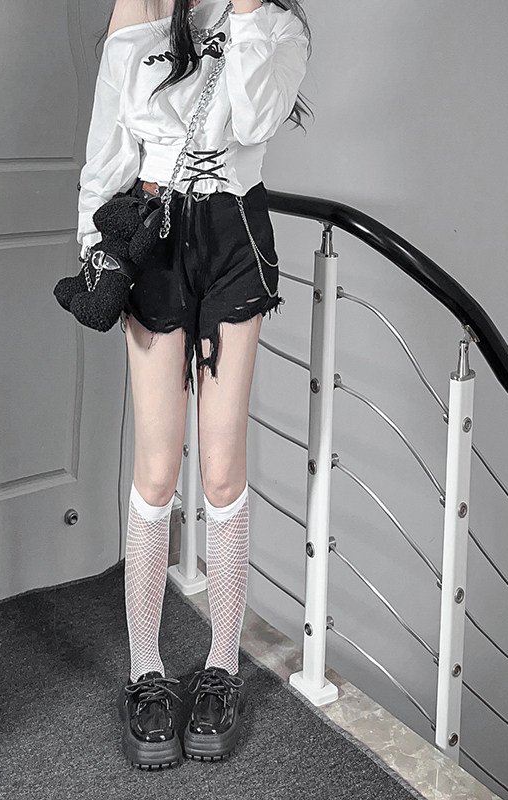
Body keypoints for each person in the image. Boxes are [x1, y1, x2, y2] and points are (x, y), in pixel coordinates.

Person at [76, 0, 312, 770]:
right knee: (156, 468)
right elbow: (107, 148)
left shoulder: (278, 28)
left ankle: (221, 668)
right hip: (153, 236)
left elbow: (254, 119)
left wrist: (246, 13)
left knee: (220, 467)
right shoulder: (143, 12)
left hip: (235, 235)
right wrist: (95, 257)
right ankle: (145, 672)